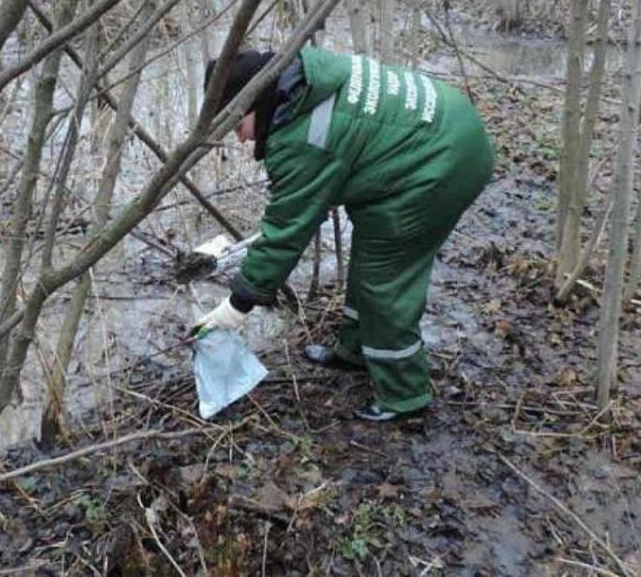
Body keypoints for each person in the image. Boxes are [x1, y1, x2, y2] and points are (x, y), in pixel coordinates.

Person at [193, 47, 494, 422]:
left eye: (238, 126)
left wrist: (236, 305)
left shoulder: (302, 137)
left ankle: (406, 397)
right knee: (372, 253)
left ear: (255, 101)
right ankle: (355, 349)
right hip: (442, 127)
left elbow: (286, 230)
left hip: (443, 160)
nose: (240, 140)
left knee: (386, 281)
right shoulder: (306, 77)